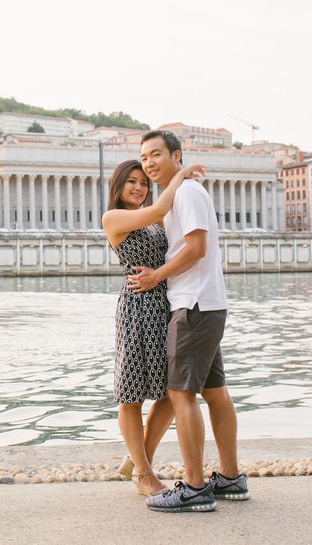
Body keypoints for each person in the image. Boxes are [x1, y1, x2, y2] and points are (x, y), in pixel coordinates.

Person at [128, 130, 249, 513]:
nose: (148, 163)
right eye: (144, 157)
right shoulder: (179, 193)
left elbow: (196, 249)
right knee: (215, 392)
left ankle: (195, 486)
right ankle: (230, 477)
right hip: (206, 302)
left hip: (192, 304)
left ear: (176, 155)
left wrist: (156, 276)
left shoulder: (187, 193)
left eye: (156, 155)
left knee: (181, 393)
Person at [101, 158, 205, 499]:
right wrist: (181, 173)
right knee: (131, 393)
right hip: (136, 308)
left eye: (143, 182)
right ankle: (144, 473)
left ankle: (136, 459)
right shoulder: (114, 218)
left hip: (164, 304)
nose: (138, 187)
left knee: (171, 392)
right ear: (118, 186)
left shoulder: (154, 224)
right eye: (131, 181)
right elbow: (163, 205)